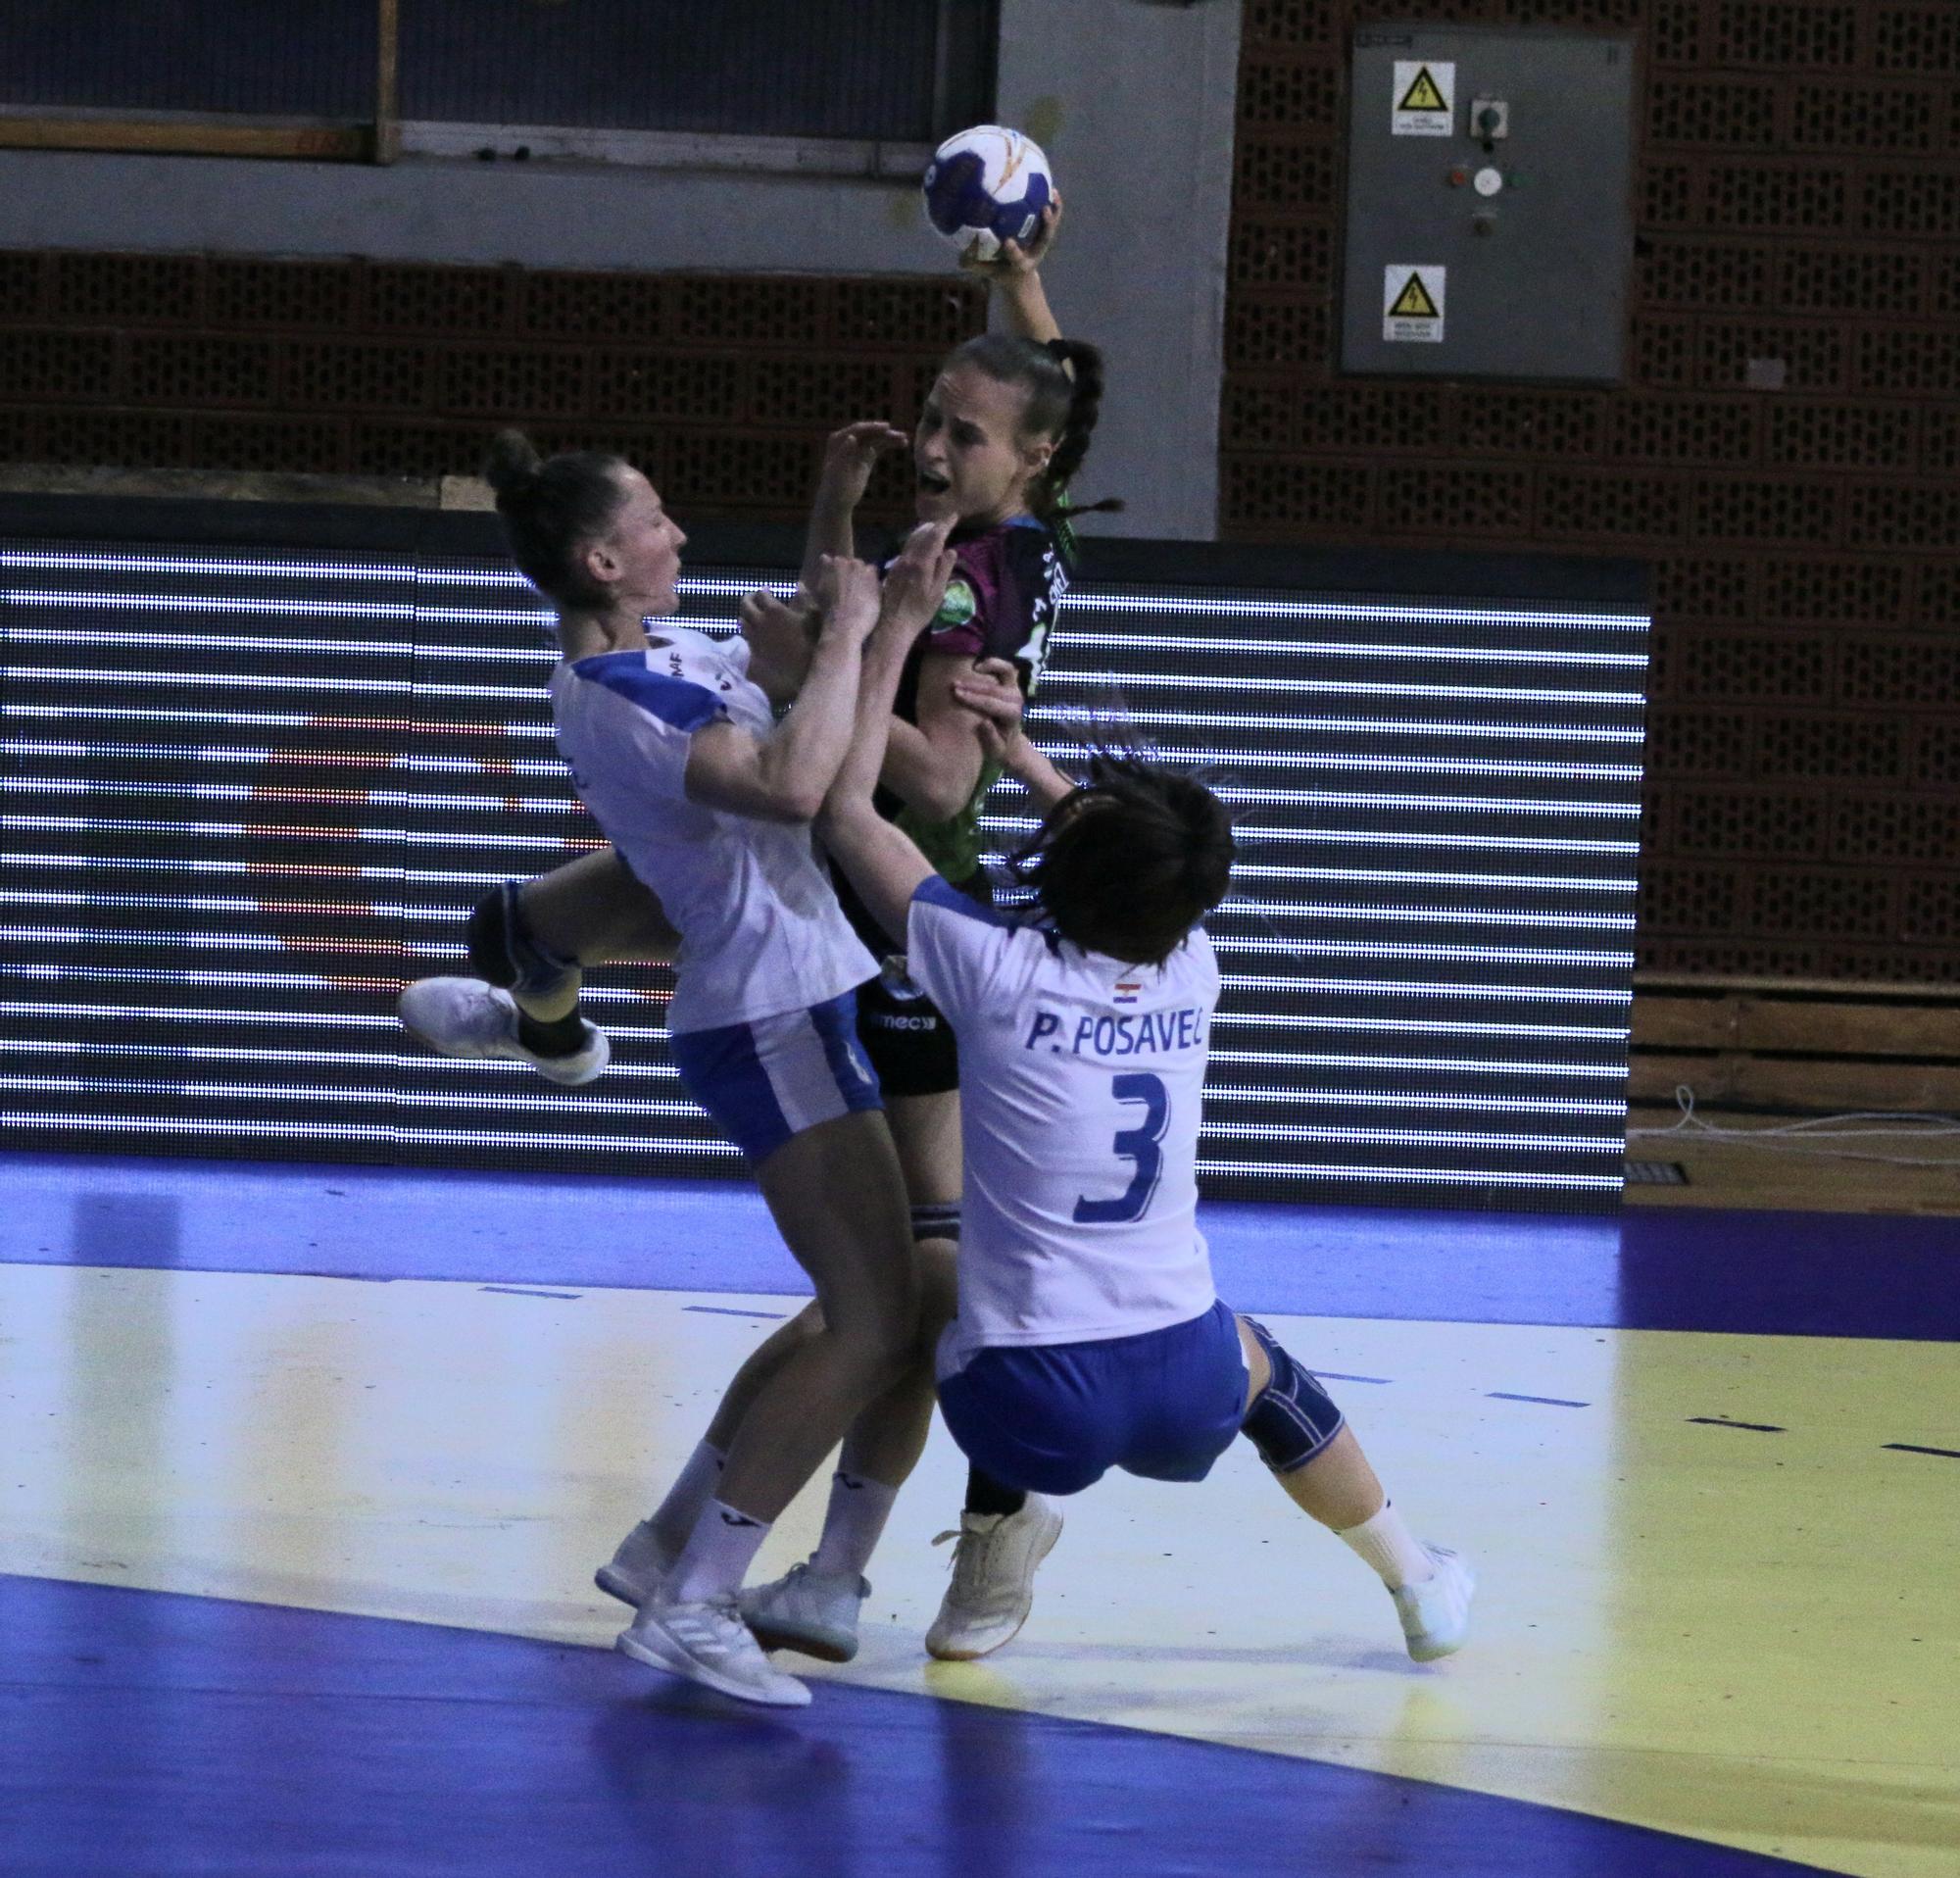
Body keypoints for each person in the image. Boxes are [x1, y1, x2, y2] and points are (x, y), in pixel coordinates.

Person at [403, 212, 1118, 1661]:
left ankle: (760, 1555)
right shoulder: (649, 678)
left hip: (849, 937)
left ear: (1028, 459)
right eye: (927, 416)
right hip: (785, 965)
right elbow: (807, 737)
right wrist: (861, 598)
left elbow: (911, 752)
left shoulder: (979, 574)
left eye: (957, 432)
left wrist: (845, 609)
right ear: (608, 561)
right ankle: (721, 1583)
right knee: (877, 1307)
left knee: (893, 1298)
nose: (929, 445)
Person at [800, 608, 1479, 1669]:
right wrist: (1020, 752)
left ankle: (939, 1565)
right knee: (1267, 1370)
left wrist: (868, 640)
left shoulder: (990, 964)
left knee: (935, 1295)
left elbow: (844, 810)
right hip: (1182, 1386)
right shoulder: (1190, 962)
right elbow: (1135, 863)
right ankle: (1417, 1580)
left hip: (1024, 1402)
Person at [415, 428, 961, 1707]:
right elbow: (791, 781)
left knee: (856, 1312)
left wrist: (846, 523)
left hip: (780, 1006)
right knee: (878, 1320)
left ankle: (671, 1549)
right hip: (768, 1020)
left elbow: (803, 662)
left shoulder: (651, 658)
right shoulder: (629, 701)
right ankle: (694, 1602)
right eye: (656, 518)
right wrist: (863, 640)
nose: (681, 536)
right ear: (604, 560)